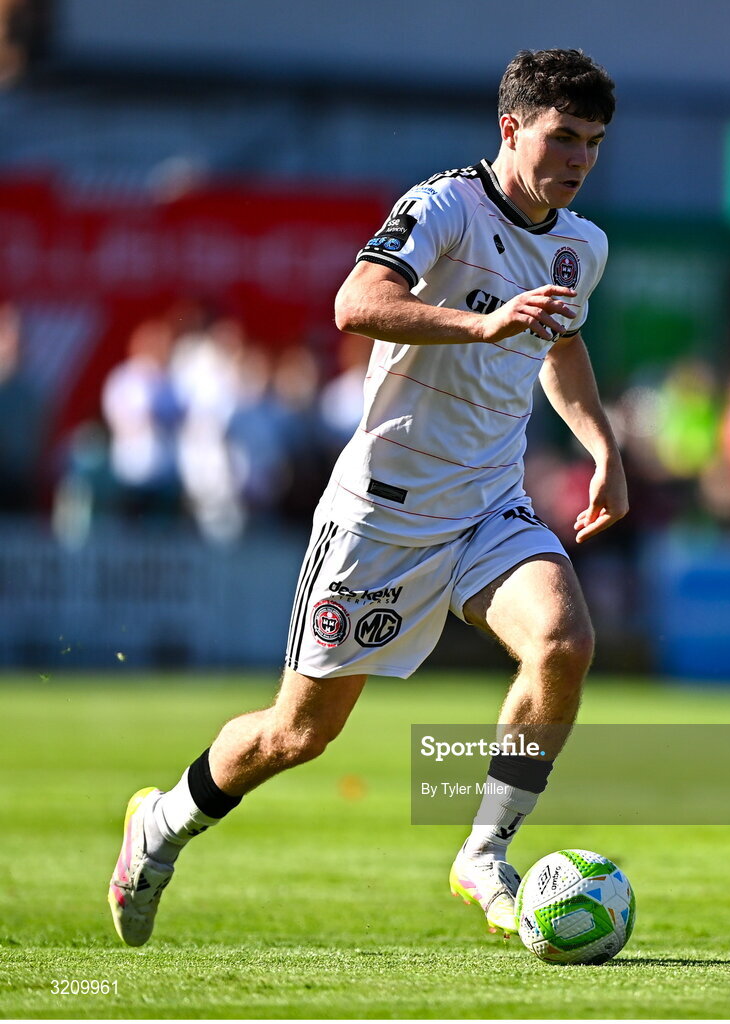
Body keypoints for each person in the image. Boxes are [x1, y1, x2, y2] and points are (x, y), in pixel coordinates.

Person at [108, 47, 626, 946]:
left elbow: (563, 344)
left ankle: (483, 848)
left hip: (489, 503)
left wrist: (602, 449)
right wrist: (479, 321)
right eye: (564, 137)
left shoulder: (584, 244)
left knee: (563, 640)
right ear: (512, 129)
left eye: (593, 143)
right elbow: (356, 302)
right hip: (380, 515)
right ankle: (160, 825)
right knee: (297, 735)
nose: (580, 159)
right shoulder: (445, 206)